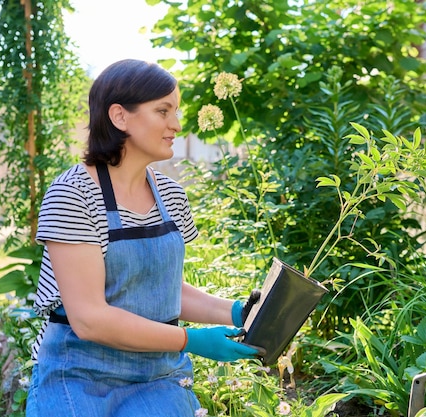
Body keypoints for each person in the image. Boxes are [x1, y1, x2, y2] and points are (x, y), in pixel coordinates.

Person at [25, 59, 263, 416]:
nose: (177, 125)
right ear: (120, 117)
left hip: (157, 375)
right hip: (77, 374)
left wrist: (235, 312)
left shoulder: (171, 194)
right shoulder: (72, 195)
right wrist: (191, 340)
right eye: (163, 111)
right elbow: (89, 318)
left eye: (176, 111)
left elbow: (161, 289)